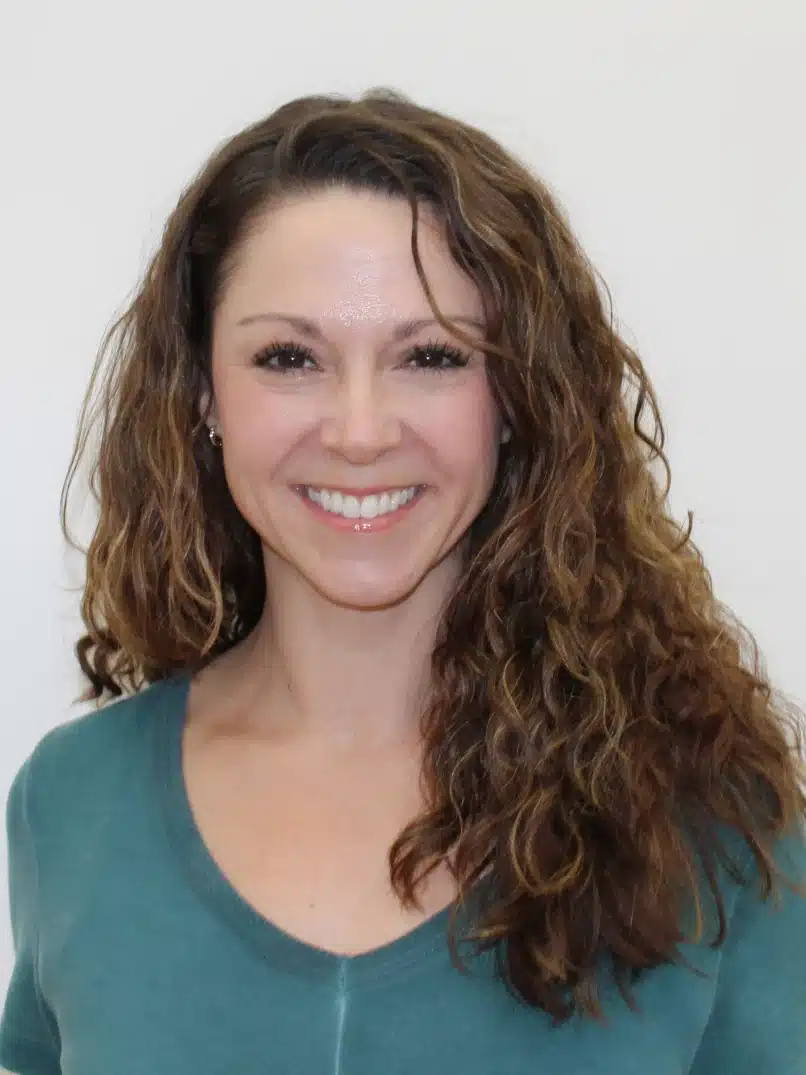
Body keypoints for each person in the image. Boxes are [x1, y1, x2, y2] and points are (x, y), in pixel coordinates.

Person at [1, 88, 804, 1075]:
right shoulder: (71, 803)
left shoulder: (715, 823)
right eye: (288, 357)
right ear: (204, 392)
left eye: (429, 356)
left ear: (516, 397)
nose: (359, 429)